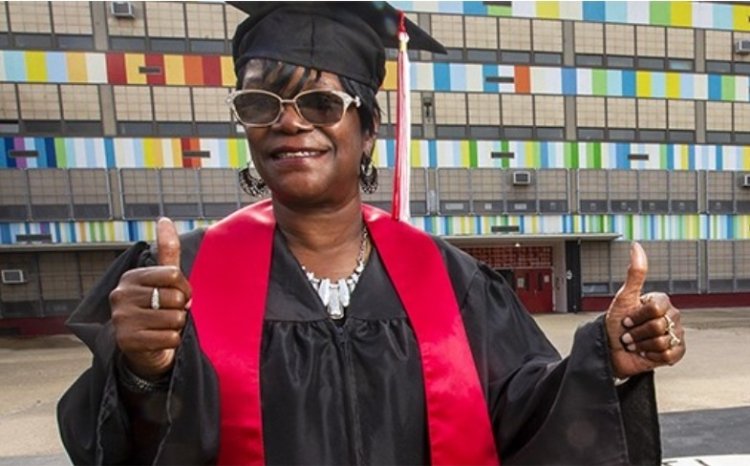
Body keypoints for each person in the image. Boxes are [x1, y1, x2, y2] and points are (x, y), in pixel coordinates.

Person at [57, 2, 686, 465]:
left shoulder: (453, 281)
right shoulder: (178, 281)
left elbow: (523, 413)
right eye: (260, 106)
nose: (289, 124)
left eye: (321, 104)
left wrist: (606, 360)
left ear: (369, 131)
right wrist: (142, 373)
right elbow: (113, 446)